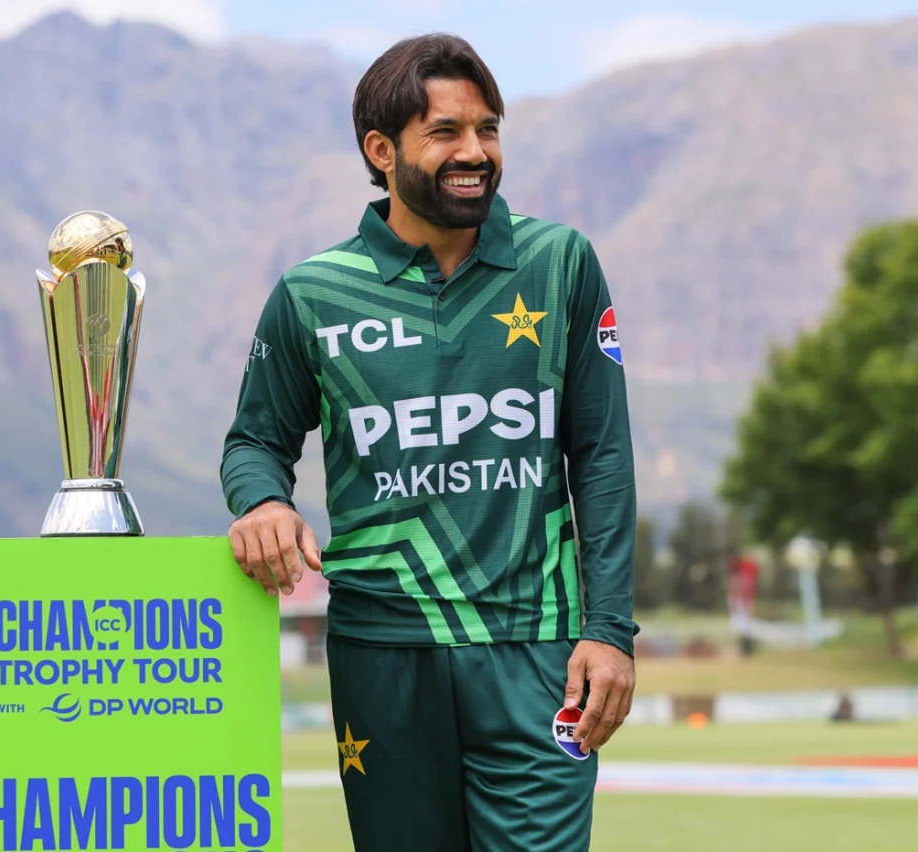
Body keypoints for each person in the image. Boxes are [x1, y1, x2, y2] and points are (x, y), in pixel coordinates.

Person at [221, 32, 637, 852]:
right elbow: (254, 441)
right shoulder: (313, 292)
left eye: (487, 129)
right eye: (446, 132)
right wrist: (263, 500)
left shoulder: (559, 264)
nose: (475, 152)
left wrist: (610, 629)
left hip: (535, 648)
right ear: (382, 151)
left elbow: (603, 456)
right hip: (384, 650)